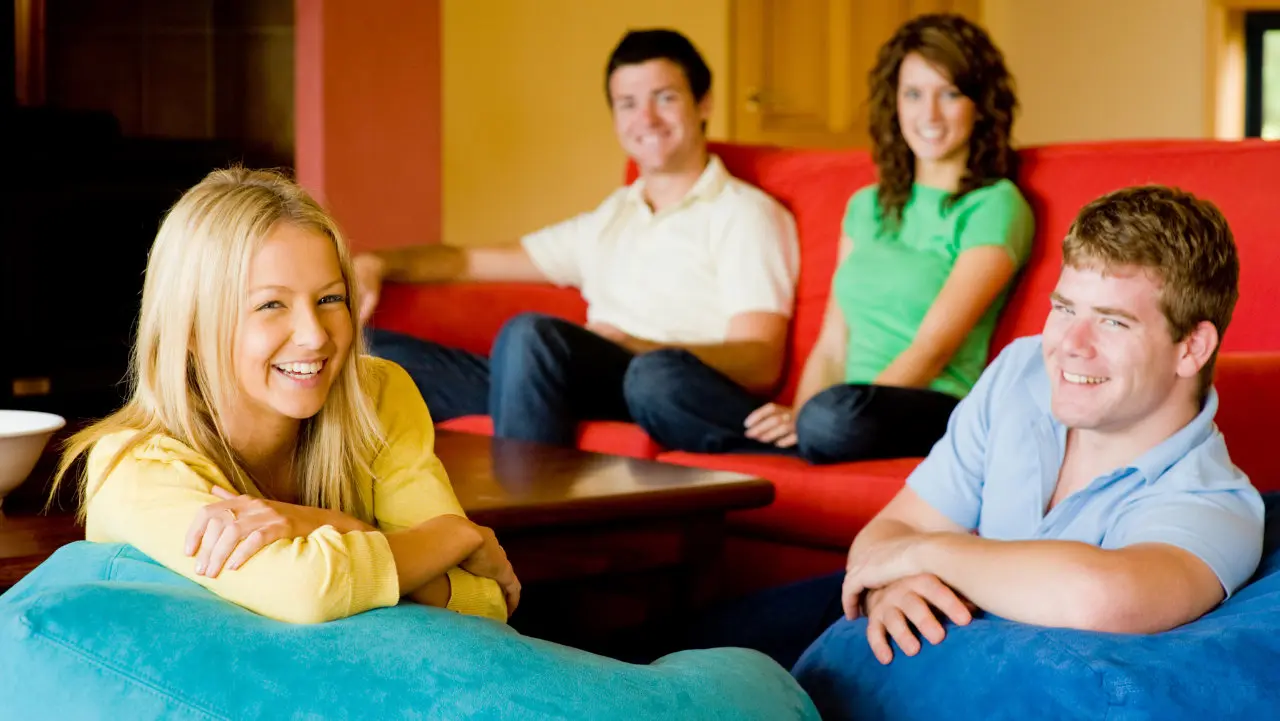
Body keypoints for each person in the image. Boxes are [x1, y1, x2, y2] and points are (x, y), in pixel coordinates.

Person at [671, 184, 1265, 671]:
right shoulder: (1022, 370)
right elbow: (889, 530)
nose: (1067, 347)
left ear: (1192, 347)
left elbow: (1099, 596)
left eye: (1112, 322)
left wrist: (927, 555)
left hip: (975, 680)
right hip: (893, 629)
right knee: (668, 650)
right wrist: (889, 587)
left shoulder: (1214, 500)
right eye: (1064, 308)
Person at [49, 168, 519, 625]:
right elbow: (310, 590)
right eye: (271, 305)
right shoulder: (129, 467)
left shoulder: (378, 394)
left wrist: (307, 524)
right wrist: (441, 535)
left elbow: (485, 601)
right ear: (189, 328)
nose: (314, 336)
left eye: (330, 299)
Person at [354, 28, 800, 448]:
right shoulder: (612, 217)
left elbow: (760, 362)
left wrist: (630, 347)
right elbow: (467, 261)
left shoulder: (744, 213)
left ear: (704, 104)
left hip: (663, 391)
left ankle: (523, 523)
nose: (645, 118)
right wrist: (378, 262)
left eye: (664, 98)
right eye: (627, 104)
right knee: (373, 353)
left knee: (532, 336)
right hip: (572, 381)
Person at [628, 13, 1034, 463]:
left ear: (980, 104)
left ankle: (800, 442)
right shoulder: (867, 206)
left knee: (834, 417)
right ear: (894, 103)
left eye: (950, 94)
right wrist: (798, 412)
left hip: (929, 405)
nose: (929, 115)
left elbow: (932, 350)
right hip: (841, 412)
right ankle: (796, 449)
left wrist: (814, 416)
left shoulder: (994, 205)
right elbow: (832, 343)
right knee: (655, 379)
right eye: (913, 94)